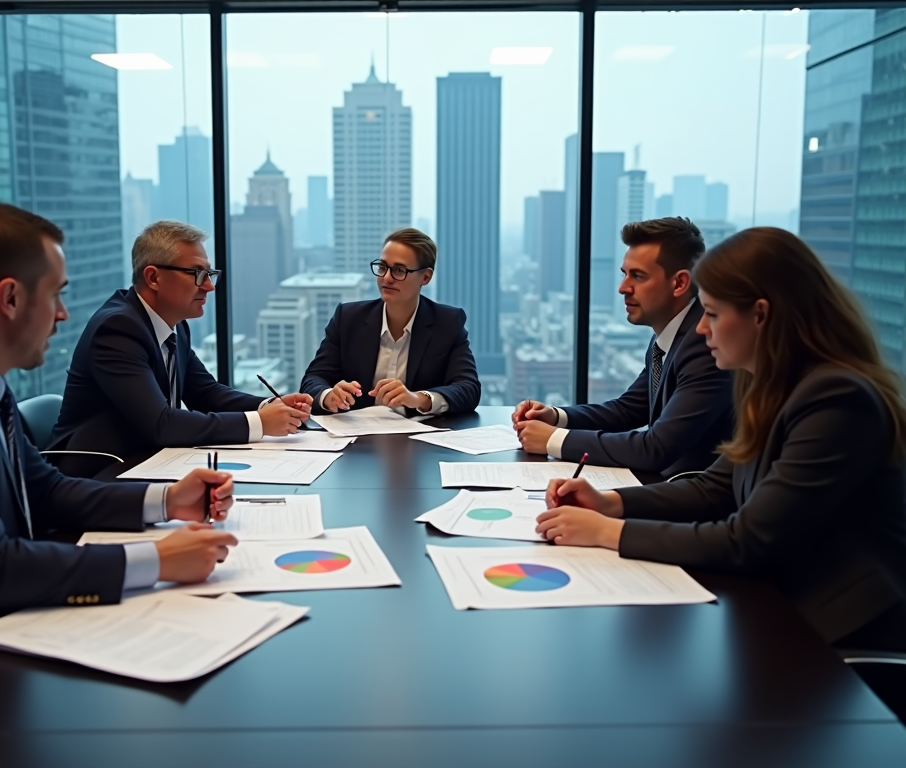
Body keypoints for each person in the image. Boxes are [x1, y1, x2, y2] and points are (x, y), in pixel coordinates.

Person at [0, 203, 239, 648]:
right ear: (10, 298)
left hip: (3, 619)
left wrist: (167, 500)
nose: (63, 314)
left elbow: (45, 490)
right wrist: (156, 560)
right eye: (55, 294)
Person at [535, 227, 906, 652]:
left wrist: (606, 532)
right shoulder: (772, 386)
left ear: (760, 315)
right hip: (781, 609)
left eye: (711, 314)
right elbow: (717, 486)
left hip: (848, 641)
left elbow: (745, 540)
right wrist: (610, 503)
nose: (699, 331)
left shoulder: (836, 399)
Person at [49, 221, 312, 471]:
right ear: (153, 277)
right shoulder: (117, 328)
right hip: (99, 471)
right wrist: (258, 423)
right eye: (197, 274)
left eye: (209, 274)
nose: (209, 286)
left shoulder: (173, 323)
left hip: (146, 462)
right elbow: (160, 423)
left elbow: (206, 394)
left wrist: (268, 406)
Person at [513, 218, 732, 477]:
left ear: (679, 284)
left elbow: (656, 448)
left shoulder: (704, 344)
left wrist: (554, 440)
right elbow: (629, 408)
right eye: (625, 274)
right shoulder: (669, 337)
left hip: (695, 501)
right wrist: (556, 416)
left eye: (638, 276)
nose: (622, 288)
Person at [300, 228, 481, 416]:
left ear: (425, 277)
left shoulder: (447, 323)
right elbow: (313, 379)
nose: (386, 278)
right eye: (382, 267)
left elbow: (468, 388)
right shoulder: (348, 318)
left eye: (399, 270)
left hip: (418, 439)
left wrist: (419, 399)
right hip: (356, 438)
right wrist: (329, 396)